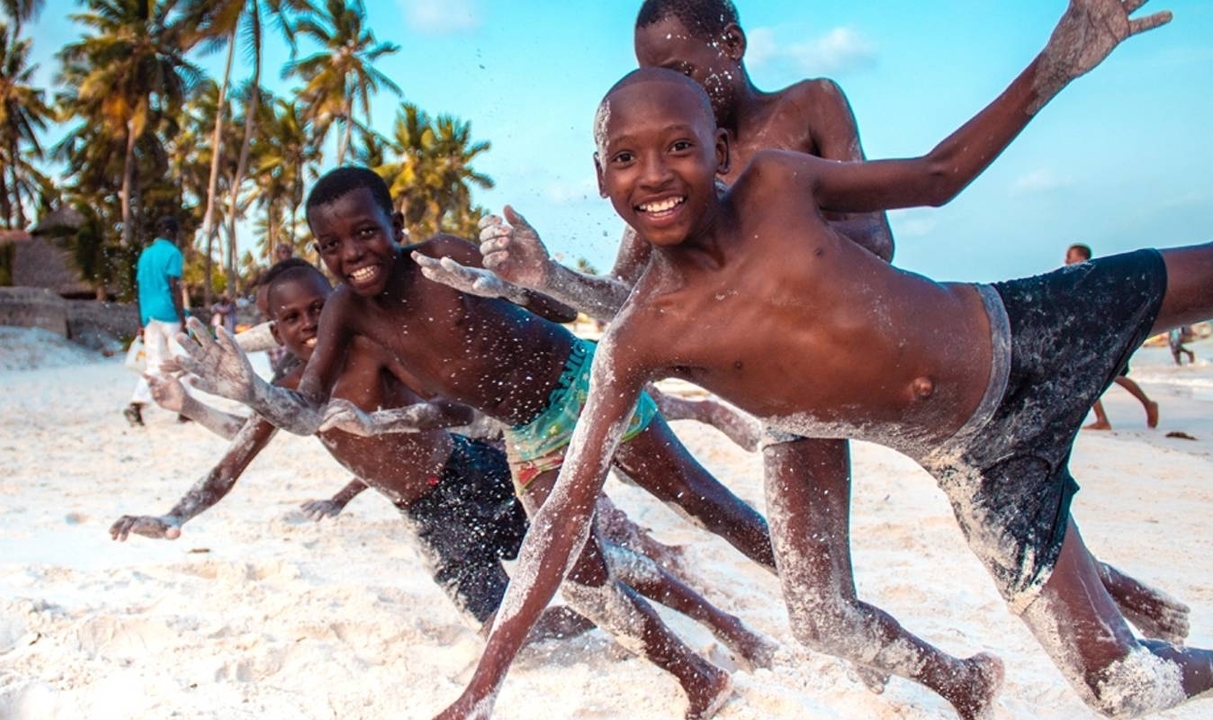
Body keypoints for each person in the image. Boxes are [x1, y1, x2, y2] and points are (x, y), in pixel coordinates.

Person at [437, 3, 1208, 718]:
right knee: (1128, 686)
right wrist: (483, 688)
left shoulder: (779, 177)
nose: (656, 173)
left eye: (680, 144)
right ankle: (982, 672)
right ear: (602, 176)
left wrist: (1057, 63)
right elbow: (562, 517)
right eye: (628, 158)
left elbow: (936, 179)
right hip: (974, 457)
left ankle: (1127, 600)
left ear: (721, 150)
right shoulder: (643, 333)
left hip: (1022, 328)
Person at [176, 167, 801, 718]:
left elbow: (551, 311)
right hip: (526, 437)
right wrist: (253, 391)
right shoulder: (346, 311)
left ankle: (821, 600)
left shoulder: (442, 254)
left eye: (365, 232)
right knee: (584, 585)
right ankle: (699, 676)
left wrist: (502, 281)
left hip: (583, 388)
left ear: (394, 223)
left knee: (704, 503)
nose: (352, 253)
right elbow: (308, 410)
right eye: (332, 246)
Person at [115, 261, 775, 668]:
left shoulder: (371, 352)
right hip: (430, 520)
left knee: (576, 558)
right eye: (291, 317)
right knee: (528, 623)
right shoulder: (286, 391)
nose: (310, 322)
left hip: (471, 472)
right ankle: (625, 585)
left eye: (319, 307)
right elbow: (236, 452)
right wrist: (172, 512)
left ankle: (714, 616)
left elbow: (442, 408)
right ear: (276, 331)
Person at [1066, 243, 1161, 429]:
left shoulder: (1092, 276)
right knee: (1086, 378)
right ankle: (1103, 419)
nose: (1066, 261)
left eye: (1070, 257)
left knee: (1114, 376)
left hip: (1106, 337)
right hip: (1094, 337)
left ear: (1082, 258)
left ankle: (1147, 404)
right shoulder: (1081, 278)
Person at [124, 215, 187, 427]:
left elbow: (139, 290)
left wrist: (140, 321)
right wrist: (182, 318)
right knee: (183, 360)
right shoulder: (173, 253)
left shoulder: (145, 255)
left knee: (155, 363)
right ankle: (186, 409)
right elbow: (173, 286)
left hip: (149, 316)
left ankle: (136, 403)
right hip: (169, 314)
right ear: (172, 233)